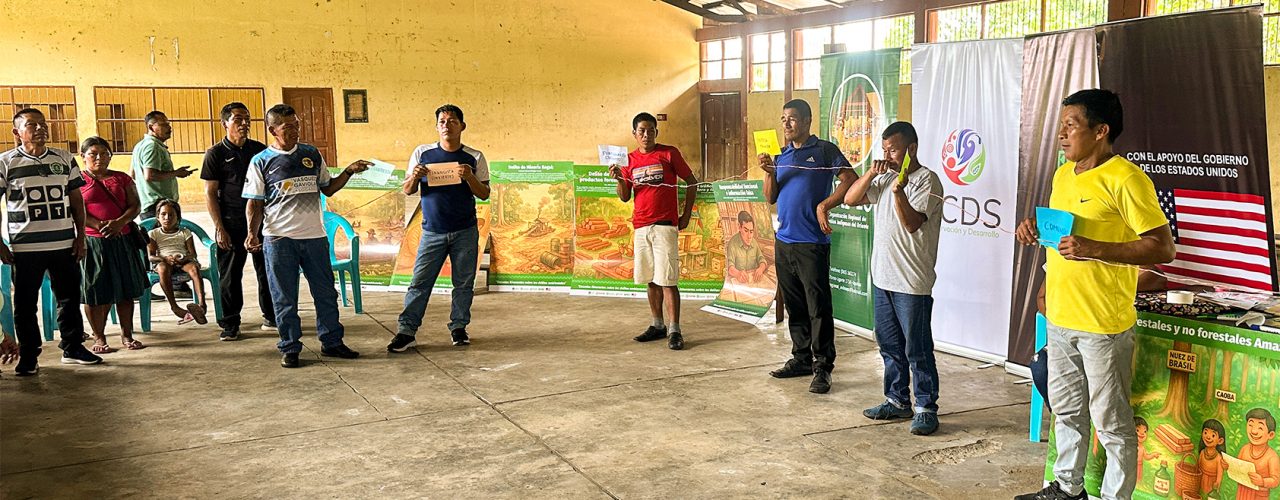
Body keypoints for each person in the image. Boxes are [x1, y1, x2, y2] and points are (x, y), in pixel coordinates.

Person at [1014, 89, 1176, 500]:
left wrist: (1096, 249)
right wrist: (1033, 229)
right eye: (1061, 125)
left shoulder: (1127, 178)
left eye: (1071, 126)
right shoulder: (1063, 175)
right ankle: (1068, 489)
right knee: (1067, 412)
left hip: (1103, 324)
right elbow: (1062, 238)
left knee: (1112, 422)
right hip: (1061, 318)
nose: (1061, 135)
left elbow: (1163, 248)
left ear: (1101, 131)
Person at [245, 104, 370, 368]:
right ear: (273, 130)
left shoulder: (311, 154)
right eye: (287, 127)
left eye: (297, 125)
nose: (295, 131)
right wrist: (251, 234)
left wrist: (348, 171)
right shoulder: (260, 161)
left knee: (326, 293)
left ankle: (332, 342)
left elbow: (328, 189)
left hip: (314, 237)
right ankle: (290, 347)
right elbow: (254, 203)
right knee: (284, 297)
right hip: (279, 239)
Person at [841, 121, 944, 435]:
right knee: (889, 345)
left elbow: (912, 224)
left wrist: (899, 191)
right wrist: (871, 174)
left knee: (917, 348)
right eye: (884, 150)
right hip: (882, 278)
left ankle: (926, 407)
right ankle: (897, 400)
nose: (887, 156)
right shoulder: (885, 177)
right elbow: (850, 199)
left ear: (911, 149)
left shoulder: (927, 180)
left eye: (894, 150)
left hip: (911, 282)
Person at [758, 99, 856, 394]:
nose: (786, 124)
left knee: (818, 308)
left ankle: (823, 367)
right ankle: (801, 358)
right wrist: (769, 171)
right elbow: (770, 197)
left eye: (792, 118)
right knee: (795, 305)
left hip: (812, 243)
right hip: (784, 241)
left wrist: (825, 205)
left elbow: (850, 179)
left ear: (807, 120)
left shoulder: (824, 150)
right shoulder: (782, 154)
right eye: (783, 118)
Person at [0, 108, 101, 374]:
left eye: (43, 124)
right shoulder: (5, 162)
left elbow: (76, 201)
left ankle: (72, 348)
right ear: (17, 132)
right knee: (25, 304)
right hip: (25, 248)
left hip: (63, 244)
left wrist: (80, 237)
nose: (40, 128)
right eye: (32, 125)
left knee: (69, 299)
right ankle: (29, 356)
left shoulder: (64, 158)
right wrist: (0, 244)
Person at [387, 104, 490, 352]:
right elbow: (408, 190)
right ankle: (406, 331)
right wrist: (415, 176)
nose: (446, 125)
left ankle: (459, 327)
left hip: (465, 231)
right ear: (436, 127)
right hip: (432, 231)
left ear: (462, 126)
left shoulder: (474, 157)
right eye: (442, 121)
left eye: (452, 121)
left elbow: (484, 193)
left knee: (463, 284)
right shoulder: (422, 153)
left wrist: (469, 176)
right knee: (419, 283)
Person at [608, 112, 698, 351]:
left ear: (656, 132)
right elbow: (625, 196)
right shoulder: (628, 160)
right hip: (641, 226)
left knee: (668, 279)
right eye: (641, 131)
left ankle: (674, 330)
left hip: (665, 225)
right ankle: (657, 324)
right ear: (634, 134)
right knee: (650, 279)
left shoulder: (669, 153)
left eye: (650, 130)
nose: (646, 135)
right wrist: (619, 179)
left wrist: (686, 214)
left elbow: (692, 182)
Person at [201, 102, 275, 341]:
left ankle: (272, 316)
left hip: (261, 221)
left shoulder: (259, 150)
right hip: (231, 222)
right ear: (225, 123)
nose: (244, 124)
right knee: (230, 275)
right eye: (238, 119)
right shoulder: (215, 154)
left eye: (247, 119)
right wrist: (219, 228)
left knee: (267, 270)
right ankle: (230, 323)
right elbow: (210, 194)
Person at [78, 136, 150, 352]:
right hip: (93, 241)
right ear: (83, 157)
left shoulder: (121, 178)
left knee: (125, 290)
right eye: (93, 154)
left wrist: (119, 222)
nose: (99, 158)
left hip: (122, 239)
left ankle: (127, 335)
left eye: (104, 153)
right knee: (94, 291)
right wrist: (98, 225)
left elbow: (135, 205)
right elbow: (74, 210)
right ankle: (99, 338)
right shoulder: (77, 180)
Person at [147, 200, 208, 326]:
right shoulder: (153, 234)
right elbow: (151, 256)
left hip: (183, 261)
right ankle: (174, 307)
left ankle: (202, 306)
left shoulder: (184, 232)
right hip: (164, 262)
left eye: (171, 215)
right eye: (163, 214)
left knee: (194, 268)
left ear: (178, 217)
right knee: (163, 268)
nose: (167, 218)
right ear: (157, 217)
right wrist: (164, 259)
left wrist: (184, 258)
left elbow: (193, 254)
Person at [132, 110, 194, 220]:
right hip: (158, 206)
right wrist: (176, 173)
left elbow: (133, 174)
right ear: (151, 127)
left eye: (168, 124)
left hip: (148, 204)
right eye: (164, 124)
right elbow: (150, 175)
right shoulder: (152, 146)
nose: (169, 128)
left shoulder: (139, 145)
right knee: (162, 232)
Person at [1236, 408, 1279, 500]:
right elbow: (1237, 466)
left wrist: (1263, 481)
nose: (1254, 431)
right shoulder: (1244, 449)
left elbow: (1276, 480)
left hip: (1260, 495)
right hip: (1243, 491)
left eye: (1260, 428)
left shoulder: (1272, 457)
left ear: (1270, 435)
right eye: (1250, 425)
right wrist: (1228, 465)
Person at [724, 210, 767, 284]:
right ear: (739, 227)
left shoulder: (754, 242)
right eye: (746, 231)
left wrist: (761, 269)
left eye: (751, 231)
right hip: (739, 283)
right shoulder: (732, 243)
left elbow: (762, 259)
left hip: (754, 282)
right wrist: (737, 273)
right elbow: (729, 266)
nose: (749, 236)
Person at [1197, 419, 1227, 496]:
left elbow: (1219, 477)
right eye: (1205, 432)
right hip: (1200, 482)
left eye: (1213, 435)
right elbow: (1197, 468)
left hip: (1211, 486)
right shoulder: (1202, 452)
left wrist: (1216, 486)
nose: (1208, 437)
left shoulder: (1218, 458)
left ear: (1220, 441)